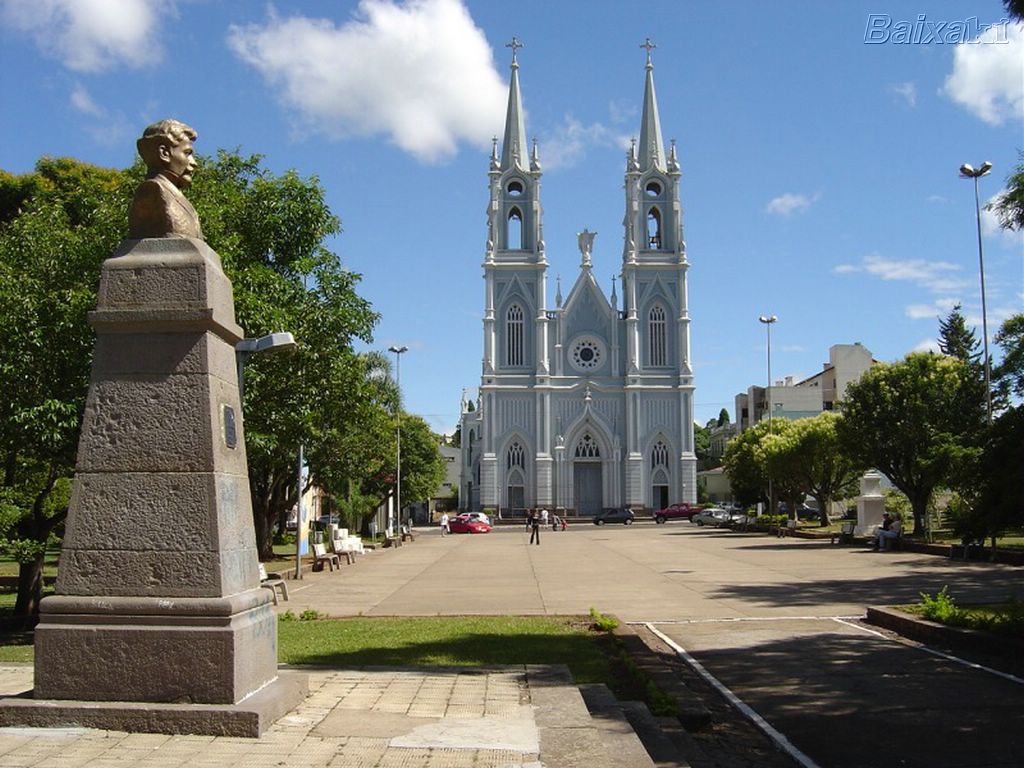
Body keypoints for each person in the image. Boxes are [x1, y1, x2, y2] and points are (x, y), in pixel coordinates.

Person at [129, 118, 203, 239]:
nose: (194, 163)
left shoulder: (173, 193)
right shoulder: (153, 191)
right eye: (187, 153)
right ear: (164, 153)